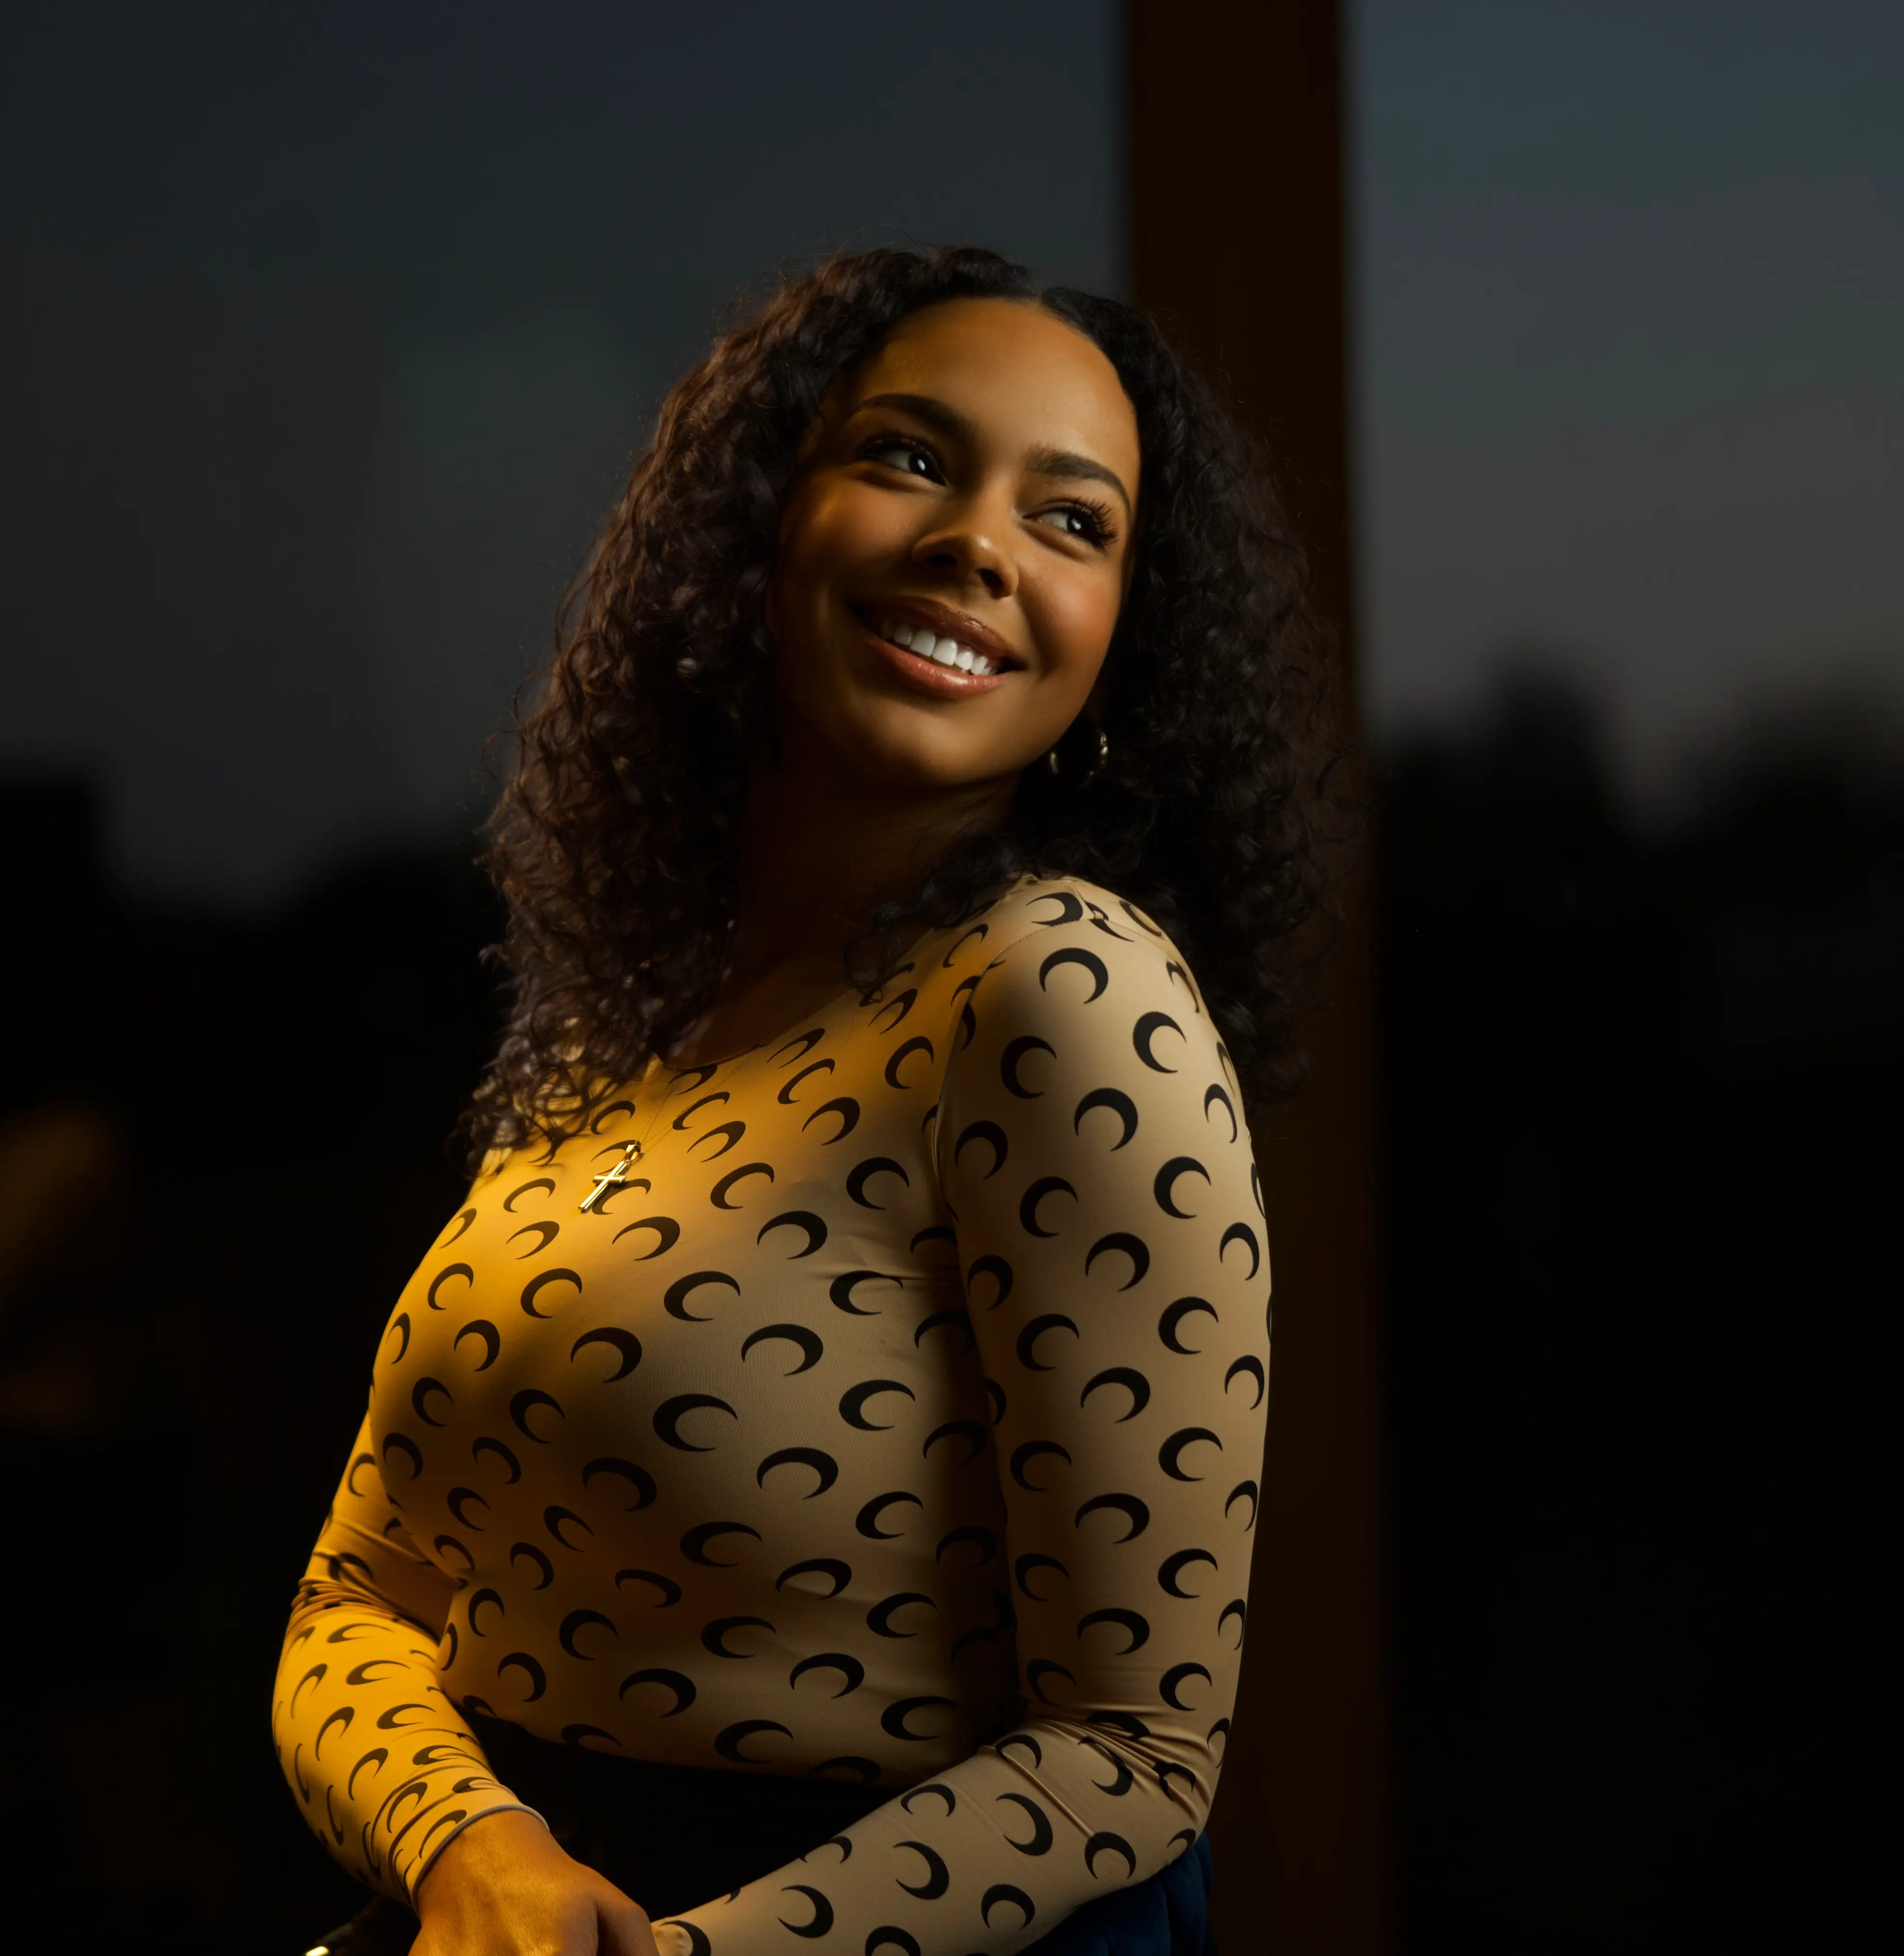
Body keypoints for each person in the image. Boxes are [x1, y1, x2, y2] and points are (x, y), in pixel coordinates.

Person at [271, 244, 1340, 1956]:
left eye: (1071, 520)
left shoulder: (1060, 993)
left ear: (1123, 645)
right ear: (758, 529)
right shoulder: (628, 1026)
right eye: (909, 457)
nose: (980, 542)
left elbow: (1130, 1760)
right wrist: (474, 1851)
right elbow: (355, 1606)